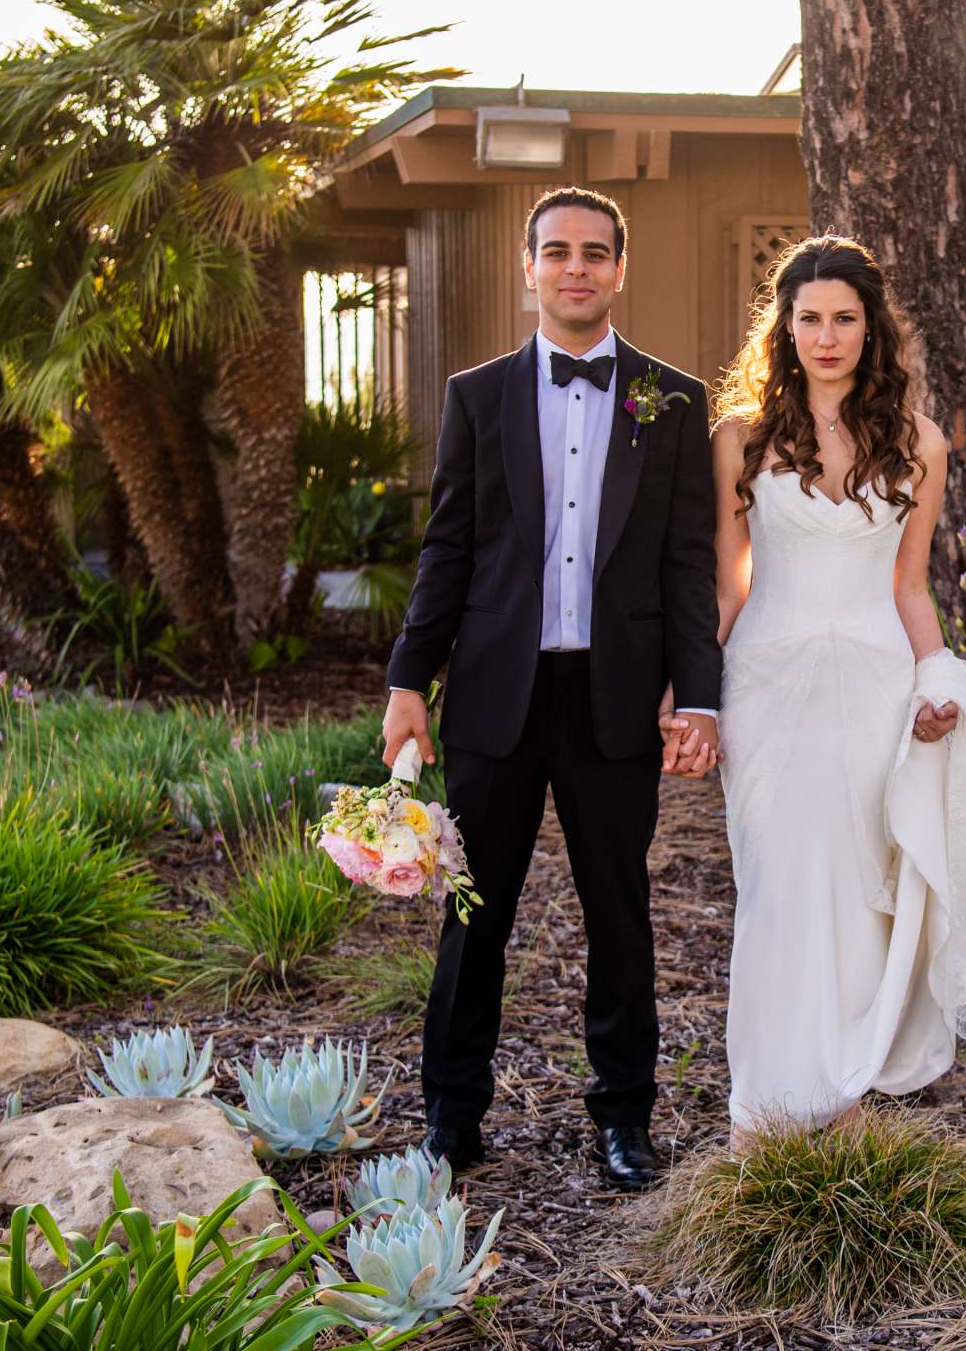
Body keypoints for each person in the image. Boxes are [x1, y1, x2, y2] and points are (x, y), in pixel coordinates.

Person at [381, 186, 721, 1192]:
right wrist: (409, 678)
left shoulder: (671, 399)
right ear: (528, 267)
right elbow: (448, 548)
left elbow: (688, 561)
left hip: (615, 698)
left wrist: (696, 696)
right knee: (473, 912)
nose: (577, 266)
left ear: (621, 269)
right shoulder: (476, 396)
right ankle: (451, 1116)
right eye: (558, 250)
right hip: (496, 694)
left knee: (619, 913)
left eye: (597, 252)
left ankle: (624, 1118)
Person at [710, 235, 966, 1146]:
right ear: (785, 327)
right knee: (775, 888)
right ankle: (763, 1110)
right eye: (808, 317)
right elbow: (727, 583)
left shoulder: (918, 441)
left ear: (871, 327)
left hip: (878, 687)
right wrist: (689, 693)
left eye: (844, 317)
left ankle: (843, 1095)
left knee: (859, 889)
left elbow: (911, 584)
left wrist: (935, 680)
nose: (826, 335)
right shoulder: (743, 436)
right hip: (766, 686)